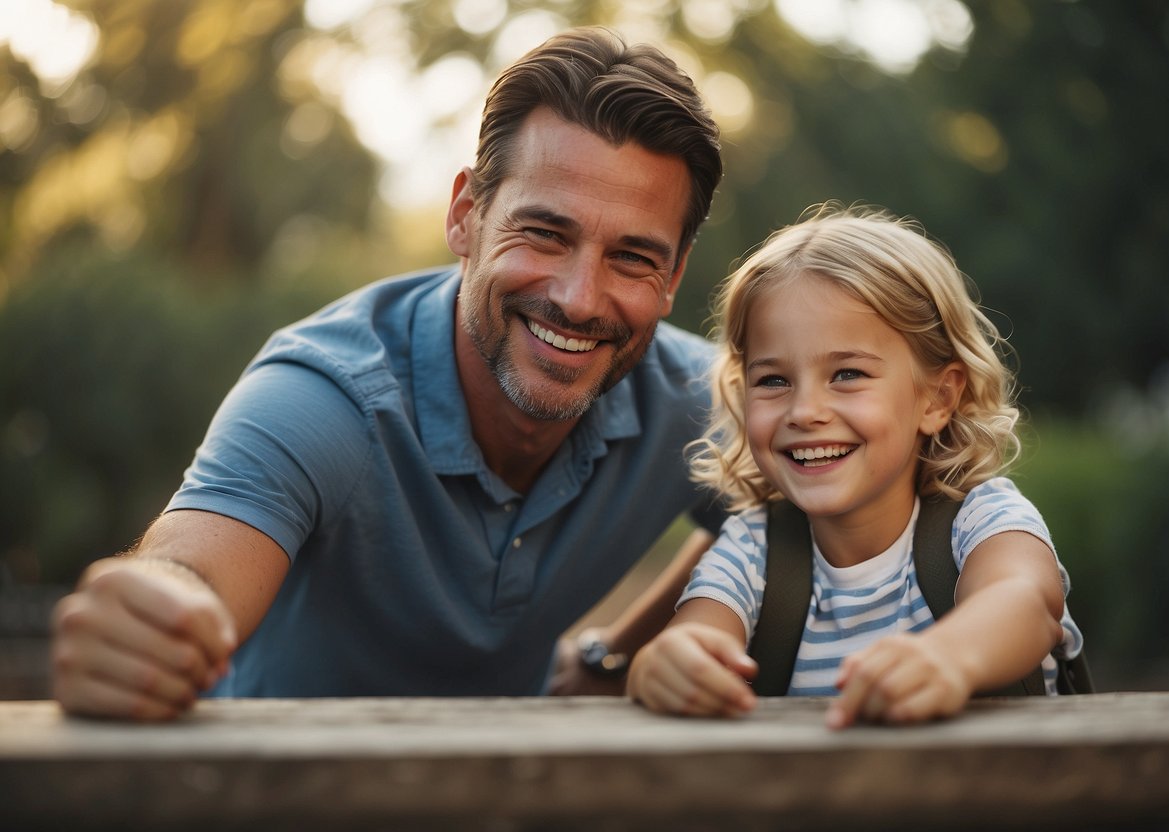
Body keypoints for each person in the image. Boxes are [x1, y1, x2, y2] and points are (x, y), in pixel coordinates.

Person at [50, 27, 727, 720]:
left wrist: (615, 656)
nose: (579, 298)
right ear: (466, 216)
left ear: (672, 275)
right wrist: (147, 614)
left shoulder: (700, 399)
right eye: (546, 234)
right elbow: (193, 568)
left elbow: (795, 502)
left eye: (632, 257)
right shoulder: (323, 395)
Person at [626, 204, 1085, 728]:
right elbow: (696, 637)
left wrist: (947, 659)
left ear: (937, 398)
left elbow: (1026, 604)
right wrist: (664, 664)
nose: (804, 412)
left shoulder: (982, 519)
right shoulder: (753, 548)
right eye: (773, 381)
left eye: (846, 373)